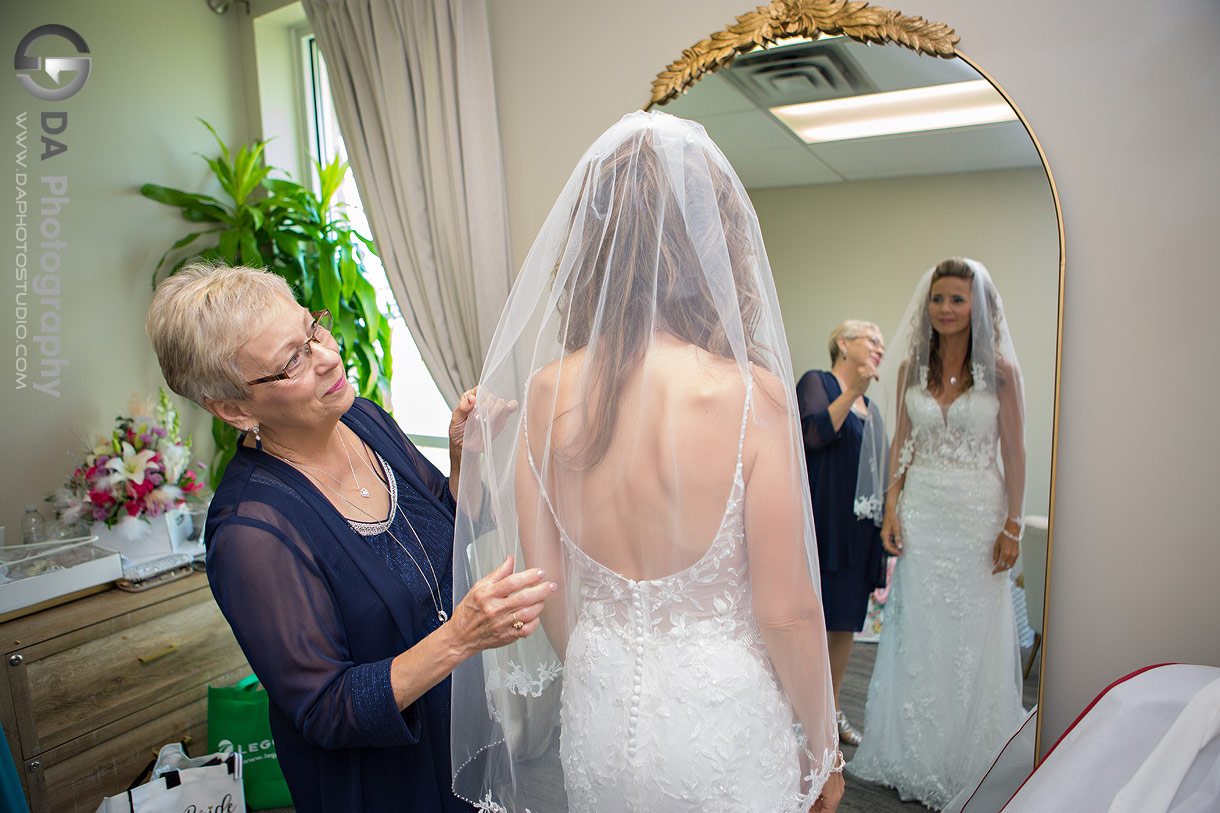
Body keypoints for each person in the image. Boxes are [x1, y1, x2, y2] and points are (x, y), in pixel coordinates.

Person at [448, 111, 844, 813]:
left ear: (591, 246)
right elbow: (785, 610)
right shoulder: (752, 398)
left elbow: (547, 590)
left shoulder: (546, 393)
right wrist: (823, 751)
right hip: (720, 722)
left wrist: (612, 663)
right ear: (715, 245)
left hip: (600, 717)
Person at [145, 263, 553, 813]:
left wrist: (467, 455)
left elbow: (448, 526)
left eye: (313, 329)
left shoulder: (362, 420)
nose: (328, 356)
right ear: (234, 409)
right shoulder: (252, 533)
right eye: (292, 360)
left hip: (456, 727)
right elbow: (324, 708)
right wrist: (460, 637)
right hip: (380, 782)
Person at [848, 257, 1027, 808]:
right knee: (918, 630)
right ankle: (911, 752)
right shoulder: (909, 369)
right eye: (937, 299)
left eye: (957, 299)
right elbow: (904, 442)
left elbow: (1016, 454)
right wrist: (893, 505)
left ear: (978, 307)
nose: (945, 309)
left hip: (978, 514)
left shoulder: (1000, 372)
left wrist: (1013, 526)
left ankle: (971, 757)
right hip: (923, 510)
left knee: (972, 636)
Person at [796, 320, 888, 747]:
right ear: (842, 343)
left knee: (845, 624)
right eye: (872, 339)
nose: (879, 348)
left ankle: (831, 711)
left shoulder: (874, 409)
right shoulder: (819, 382)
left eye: (882, 345)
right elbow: (811, 435)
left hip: (858, 531)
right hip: (821, 522)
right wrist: (852, 392)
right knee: (811, 620)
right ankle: (800, 713)